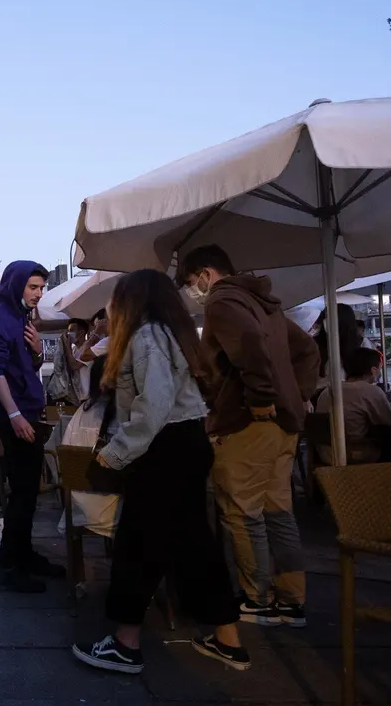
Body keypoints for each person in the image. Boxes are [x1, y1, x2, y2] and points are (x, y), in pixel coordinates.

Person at [72, 269, 251, 674]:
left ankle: (125, 643)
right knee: (195, 545)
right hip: (185, 443)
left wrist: (114, 454)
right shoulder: (172, 333)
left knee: (139, 545)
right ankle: (228, 638)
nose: (110, 307)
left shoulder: (147, 336)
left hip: (162, 448)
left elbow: (152, 406)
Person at [177, 244, 318, 627]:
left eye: (192, 283)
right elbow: (307, 349)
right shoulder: (265, 304)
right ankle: (292, 599)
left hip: (248, 422)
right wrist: (297, 395)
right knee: (278, 512)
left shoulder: (222, 302)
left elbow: (251, 348)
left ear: (206, 274)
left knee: (242, 512)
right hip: (285, 423)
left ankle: (257, 598)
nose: (193, 291)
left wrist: (260, 398)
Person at [0, 261, 63, 593]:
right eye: (33, 287)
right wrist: (14, 415)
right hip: (17, 418)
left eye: (42, 288)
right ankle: (8, 566)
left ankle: (23, 555)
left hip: (28, 413)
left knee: (28, 495)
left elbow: (24, 368)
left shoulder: (19, 320)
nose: (38, 294)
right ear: (15, 285)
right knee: (23, 494)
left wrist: (38, 351)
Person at [57, 355, 121, 538]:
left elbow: (65, 459)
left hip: (78, 507)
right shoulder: (123, 418)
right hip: (112, 509)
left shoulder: (82, 411)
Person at [315, 347, 391, 464]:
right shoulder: (371, 391)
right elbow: (387, 420)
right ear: (374, 370)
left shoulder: (328, 391)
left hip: (326, 454)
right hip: (356, 455)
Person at [313, 304, 363, 399]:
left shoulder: (360, 344)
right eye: (325, 318)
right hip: (321, 398)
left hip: (353, 397)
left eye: (332, 318)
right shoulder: (316, 344)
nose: (326, 322)